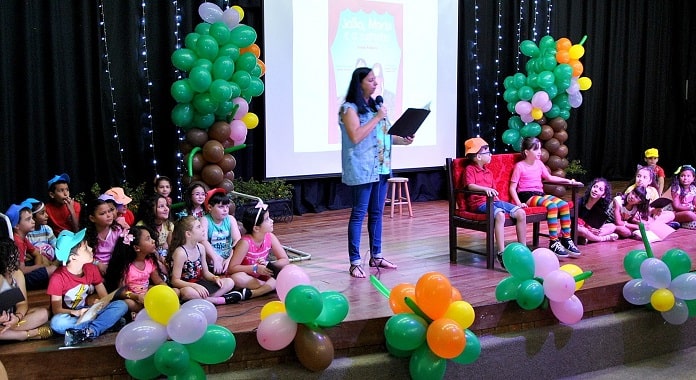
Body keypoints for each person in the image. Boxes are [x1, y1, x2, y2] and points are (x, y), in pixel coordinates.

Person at [339, 67, 414, 278]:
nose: (375, 84)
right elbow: (356, 136)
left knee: (377, 213)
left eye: (375, 80)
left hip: (382, 168)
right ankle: (355, 261)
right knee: (358, 214)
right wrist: (378, 116)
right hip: (362, 169)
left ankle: (376, 255)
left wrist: (403, 140)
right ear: (359, 83)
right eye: (370, 80)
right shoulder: (349, 109)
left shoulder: (375, 107)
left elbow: (385, 136)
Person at [48, 229, 129, 347]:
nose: (91, 249)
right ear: (72, 257)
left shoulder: (91, 269)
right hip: (71, 316)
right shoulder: (57, 278)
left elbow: (105, 297)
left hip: (89, 311)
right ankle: (101, 325)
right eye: (85, 248)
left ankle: (89, 331)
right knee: (57, 323)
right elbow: (57, 310)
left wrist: (99, 304)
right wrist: (76, 312)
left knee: (121, 305)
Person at [509, 137, 582, 258]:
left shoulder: (539, 163)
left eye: (540, 149)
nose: (539, 152)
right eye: (535, 149)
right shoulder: (520, 166)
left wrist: (569, 181)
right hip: (527, 195)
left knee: (563, 205)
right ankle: (553, 241)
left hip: (539, 194)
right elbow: (512, 187)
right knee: (551, 206)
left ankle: (566, 238)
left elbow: (550, 178)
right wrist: (518, 203)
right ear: (527, 152)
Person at [462, 137, 527, 268]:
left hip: (494, 201)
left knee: (521, 213)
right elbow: (470, 186)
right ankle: (501, 252)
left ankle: (523, 249)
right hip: (479, 203)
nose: (490, 154)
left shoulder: (489, 172)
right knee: (500, 215)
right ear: (478, 156)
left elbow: (494, 191)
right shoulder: (470, 169)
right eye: (487, 152)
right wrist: (485, 189)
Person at [168, 216, 248, 305]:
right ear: (188, 234)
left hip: (200, 283)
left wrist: (215, 278)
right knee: (188, 292)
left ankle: (204, 299)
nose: (203, 229)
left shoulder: (201, 248)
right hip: (186, 286)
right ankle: (219, 300)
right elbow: (175, 281)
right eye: (198, 227)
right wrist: (195, 286)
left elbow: (206, 273)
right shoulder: (181, 253)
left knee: (229, 282)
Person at [103, 226, 173, 314]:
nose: (153, 240)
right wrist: (136, 297)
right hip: (134, 299)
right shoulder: (126, 267)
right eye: (148, 239)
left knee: (175, 292)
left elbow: (158, 282)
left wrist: (166, 290)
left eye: (151, 237)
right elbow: (121, 292)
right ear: (137, 248)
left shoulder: (150, 262)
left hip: (147, 296)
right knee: (127, 303)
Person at [228, 206, 290, 298]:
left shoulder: (270, 237)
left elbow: (285, 260)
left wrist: (268, 264)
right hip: (247, 276)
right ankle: (269, 287)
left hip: (263, 275)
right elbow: (232, 268)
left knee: (287, 269)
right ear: (256, 228)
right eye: (267, 219)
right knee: (236, 277)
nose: (271, 221)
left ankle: (254, 293)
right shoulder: (245, 242)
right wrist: (255, 268)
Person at [0, 238, 52, 341]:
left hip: (15, 321)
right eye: (12, 257)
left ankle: (8, 334)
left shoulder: (17, 274)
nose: (16, 259)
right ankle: (24, 335)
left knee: (43, 314)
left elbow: (22, 304)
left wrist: (17, 317)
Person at [5, 202, 57, 290]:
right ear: (16, 225)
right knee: (53, 270)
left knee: (50, 266)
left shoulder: (23, 238)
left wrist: (39, 269)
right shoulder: (17, 242)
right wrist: (40, 267)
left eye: (32, 218)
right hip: (19, 278)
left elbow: (37, 254)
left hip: (26, 270)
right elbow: (21, 270)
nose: (33, 221)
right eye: (28, 219)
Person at [200, 188, 242, 275]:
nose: (225, 210)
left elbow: (237, 240)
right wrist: (215, 258)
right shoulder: (205, 220)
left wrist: (230, 259)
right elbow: (203, 241)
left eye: (227, 206)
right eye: (221, 207)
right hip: (211, 258)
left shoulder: (230, 219)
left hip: (229, 256)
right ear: (210, 207)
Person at [136, 194, 175, 282]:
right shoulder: (141, 227)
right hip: (149, 257)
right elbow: (144, 251)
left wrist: (167, 261)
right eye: (161, 206)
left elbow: (170, 246)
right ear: (150, 210)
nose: (166, 209)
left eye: (166, 205)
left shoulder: (169, 225)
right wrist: (159, 263)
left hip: (162, 255)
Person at [81, 197, 123, 275]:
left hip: (114, 265)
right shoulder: (87, 235)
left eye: (109, 211)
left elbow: (121, 252)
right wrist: (97, 264)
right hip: (94, 266)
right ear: (92, 218)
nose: (109, 215)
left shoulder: (117, 230)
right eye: (102, 213)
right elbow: (84, 255)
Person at [576, 178, 619, 244]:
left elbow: (596, 228)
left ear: (603, 195)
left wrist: (594, 230)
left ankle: (587, 238)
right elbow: (572, 222)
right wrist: (588, 229)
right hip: (577, 229)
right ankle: (602, 239)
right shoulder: (579, 202)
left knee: (612, 226)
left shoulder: (600, 211)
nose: (596, 190)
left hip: (588, 231)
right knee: (580, 229)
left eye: (600, 189)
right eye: (595, 187)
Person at [26, 198, 58, 263]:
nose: (47, 215)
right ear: (32, 217)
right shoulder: (27, 233)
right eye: (42, 213)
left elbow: (56, 246)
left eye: (45, 212)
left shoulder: (47, 229)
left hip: (50, 261)